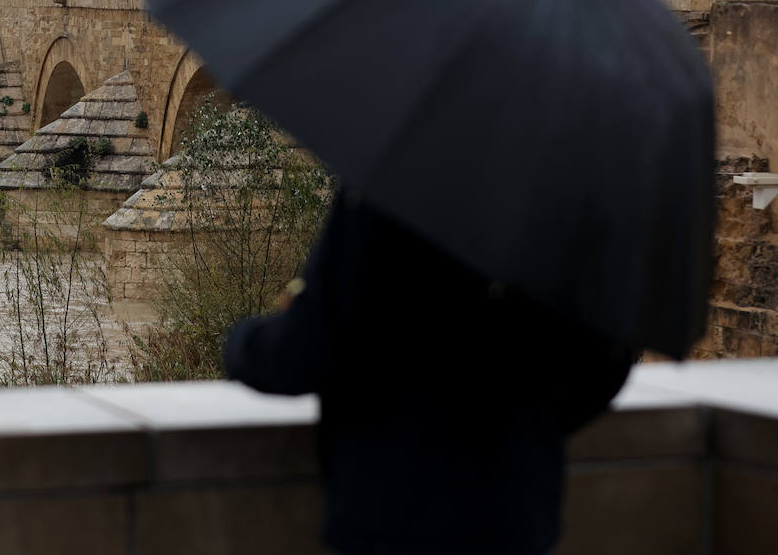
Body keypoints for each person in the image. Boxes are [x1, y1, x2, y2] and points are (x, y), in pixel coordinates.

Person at [225, 192, 634, 555]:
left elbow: (303, 354)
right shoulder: (567, 201)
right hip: (515, 515)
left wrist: (241, 342)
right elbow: (607, 360)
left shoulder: (392, 189)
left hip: (391, 513)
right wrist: (524, 428)